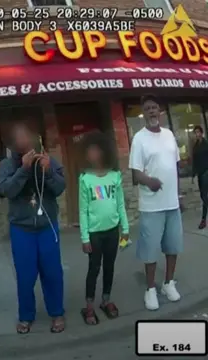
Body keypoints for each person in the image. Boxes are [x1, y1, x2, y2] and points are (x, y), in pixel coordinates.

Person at [0, 124, 66, 334]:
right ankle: (26, 316)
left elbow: (60, 188)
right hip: (22, 229)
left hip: (47, 227)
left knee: (53, 273)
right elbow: (7, 190)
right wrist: (24, 170)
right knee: (25, 276)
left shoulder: (48, 159)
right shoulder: (7, 165)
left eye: (27, 135)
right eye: (19, 137)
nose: (24, 140)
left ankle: (56, 313)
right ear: (14, 142)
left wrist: (48, 172)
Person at [129, 94, 182, 311]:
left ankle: (168, 283)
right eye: (148, 108)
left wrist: (177, 194)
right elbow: (135, 173)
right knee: (150, 251)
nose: (152, 111)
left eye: (155, 107)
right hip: (151, 206)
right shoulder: (139, 139)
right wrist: (149, 181)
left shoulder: (169, 135)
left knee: (173, 247)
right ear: (144, 113)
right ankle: (150, 289)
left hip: (172, 204)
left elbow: (175, 165)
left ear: (160, 111)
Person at [78, 132, 129, 325]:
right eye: (90, 151)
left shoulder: (115, 176)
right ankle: (89, 306)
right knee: (94, 268)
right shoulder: (85, 179)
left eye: (96, 150)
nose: (93, 154)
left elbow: (120, 204)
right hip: (94, 233)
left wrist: (124, 229)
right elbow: (83, 210)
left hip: (112, 231)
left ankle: (106, 299)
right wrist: (84, 238)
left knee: (109, 266)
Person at [192, 125, 208, 229]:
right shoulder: (195, 146)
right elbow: (194, 161)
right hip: (199, 173)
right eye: (195, 133)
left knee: (205, 195)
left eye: (198, 132)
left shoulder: (206, 144)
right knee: (203, 196)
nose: (197, 134)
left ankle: (203, 220)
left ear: (201, 133)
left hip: (206, 172)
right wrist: (193, 174)